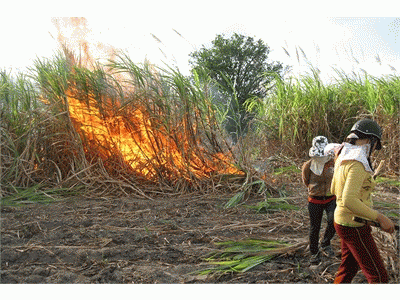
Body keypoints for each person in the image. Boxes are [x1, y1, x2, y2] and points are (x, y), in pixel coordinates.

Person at [331, 119, 395, 283]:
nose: (373, 149)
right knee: (379, 277)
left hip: (342, 221)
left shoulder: (342, 156)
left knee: (348, 269)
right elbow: (349, 200)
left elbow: (333, 189)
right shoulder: (357, 162)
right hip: (354, 225)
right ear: (370, 140)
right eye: (374, 145)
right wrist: (380, 218)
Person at [302, 136, 338, 265]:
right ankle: (314, 253)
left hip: (330, 198)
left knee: (333, 221)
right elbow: (306, 181)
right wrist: (315, 191)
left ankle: (325, 243)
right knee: (314, 228)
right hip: (315, 201)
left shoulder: (333, 163)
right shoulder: (308, 165)